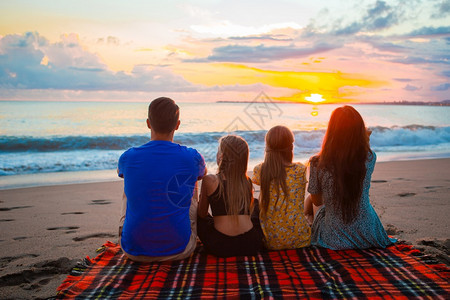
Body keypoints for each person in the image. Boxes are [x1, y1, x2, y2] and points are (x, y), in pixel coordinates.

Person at [118, 97, 206, 262]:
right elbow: (203, 173)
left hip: (133, 250)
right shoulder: (192, 156)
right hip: (181, 249)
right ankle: (178, 229)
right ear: (177, 125)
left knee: (128, 182)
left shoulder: (128, 157)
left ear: (148, 123)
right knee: (192, 179)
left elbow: (120, 172)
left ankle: (136, 231)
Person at [305, 105, 395, 250]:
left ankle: (307, 220)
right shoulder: (370, 158)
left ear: (332, 131)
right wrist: (364, 139)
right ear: (360, 131)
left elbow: (318, 201)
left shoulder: (317, 162)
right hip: (369, 234)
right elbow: (357, 155)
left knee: (312, 201)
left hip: (334, 237)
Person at [197, 135, 263, 257]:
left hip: (220, 245)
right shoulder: (246, 181)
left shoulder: (210, 180)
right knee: (256, 204)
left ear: (221, 157)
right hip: (250, 243)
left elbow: (202, 214)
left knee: (199, 216)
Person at [252, 125, 310, 250]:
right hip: (300, 239)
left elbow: (256, 182)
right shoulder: (300, 170)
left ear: (267, 147)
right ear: (291, 147)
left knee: (256, 202)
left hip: (271, 241)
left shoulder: (260, 170)